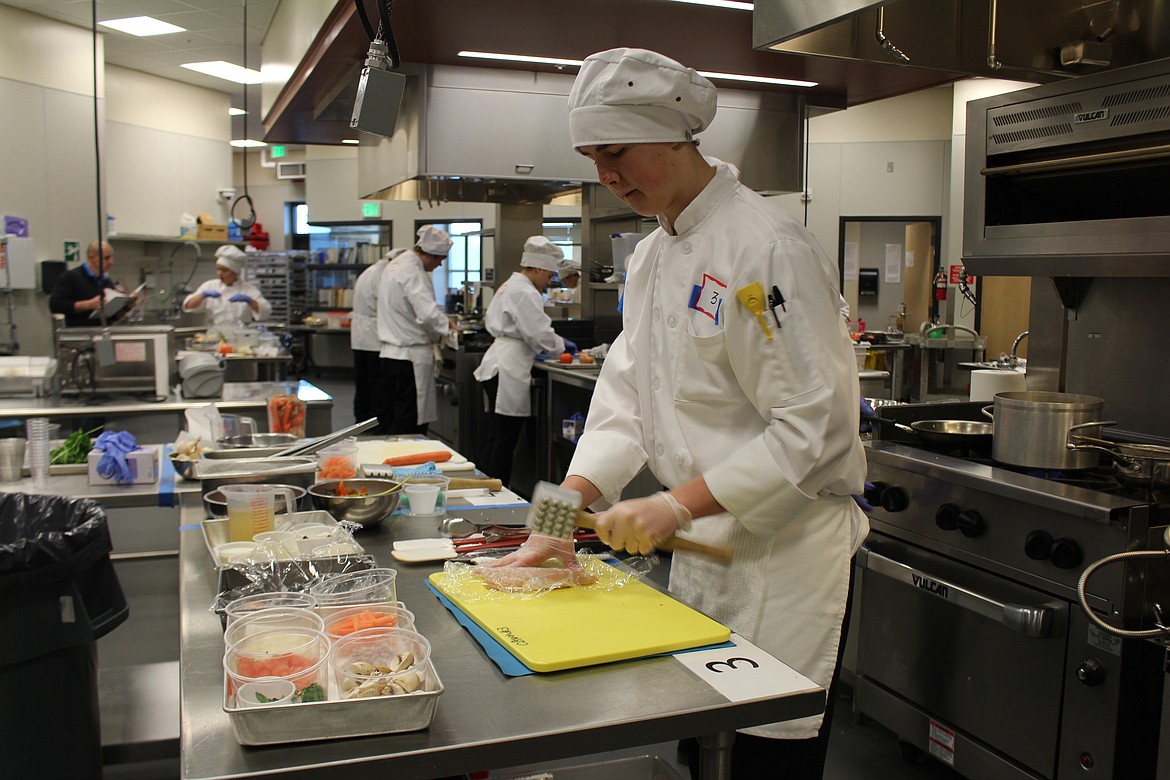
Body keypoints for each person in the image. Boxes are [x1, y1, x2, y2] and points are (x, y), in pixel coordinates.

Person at [489, 49, 868, 780]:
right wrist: (562, 516)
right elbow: (628, 399)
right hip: (704, 552)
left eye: (617, 151)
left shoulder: (765, 253)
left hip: (780, 558)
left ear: (673, 137)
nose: (606, 175)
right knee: (702, 744)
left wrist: (673, 504)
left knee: (762, 755)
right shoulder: (654, 255)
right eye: (592, 156)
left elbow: (814, 427)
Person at [473, 236, 573, 485]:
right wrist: (562, 346)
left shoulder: (511, 285)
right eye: (548, 276)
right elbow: (539, 334)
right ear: (537, 268)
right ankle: (496, 493)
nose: (548, 282)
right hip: (508, 366)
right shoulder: (524, 291)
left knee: (497, 437)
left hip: (500, 361)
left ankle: (488, 489)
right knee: (505, 439)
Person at [376, 225, 453, 435]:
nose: (439, 264)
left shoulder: (395, 266)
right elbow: (428, 313)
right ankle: (407, 467)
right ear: (428, 254)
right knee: (409, 422)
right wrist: (448, 326)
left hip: (389, 355)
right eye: (439, 259)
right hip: (409, 360)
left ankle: (390, 464)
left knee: (393, 417)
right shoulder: (414, 272)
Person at [351, 247, 407, 429]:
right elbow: (389, 306)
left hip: (360, 337)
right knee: (376, 385)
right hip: (374, 337)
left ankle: (361, 420)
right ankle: (375, 424)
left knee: (362, 383)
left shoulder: (370, 270)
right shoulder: (384, 274)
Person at [49, 240, 138, 327]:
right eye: (107, 258)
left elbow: (111, 317)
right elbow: (55, 305)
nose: (111, 262)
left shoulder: (105, 281)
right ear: (92, 257)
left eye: (111, 258)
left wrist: (126, 307)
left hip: (103, 333)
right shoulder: (71, 277)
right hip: (80, 335)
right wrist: (88, 305)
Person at [182, 245, 272, 330]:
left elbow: (266, 312)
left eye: (224, 270)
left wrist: (249, 301)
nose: (219, 273)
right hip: (215, 335)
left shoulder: (249, 290)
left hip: (241, 335)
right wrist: (203, 295)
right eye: (218, 269)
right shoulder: (209, 286)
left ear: (235, 272)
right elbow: (189, 306)